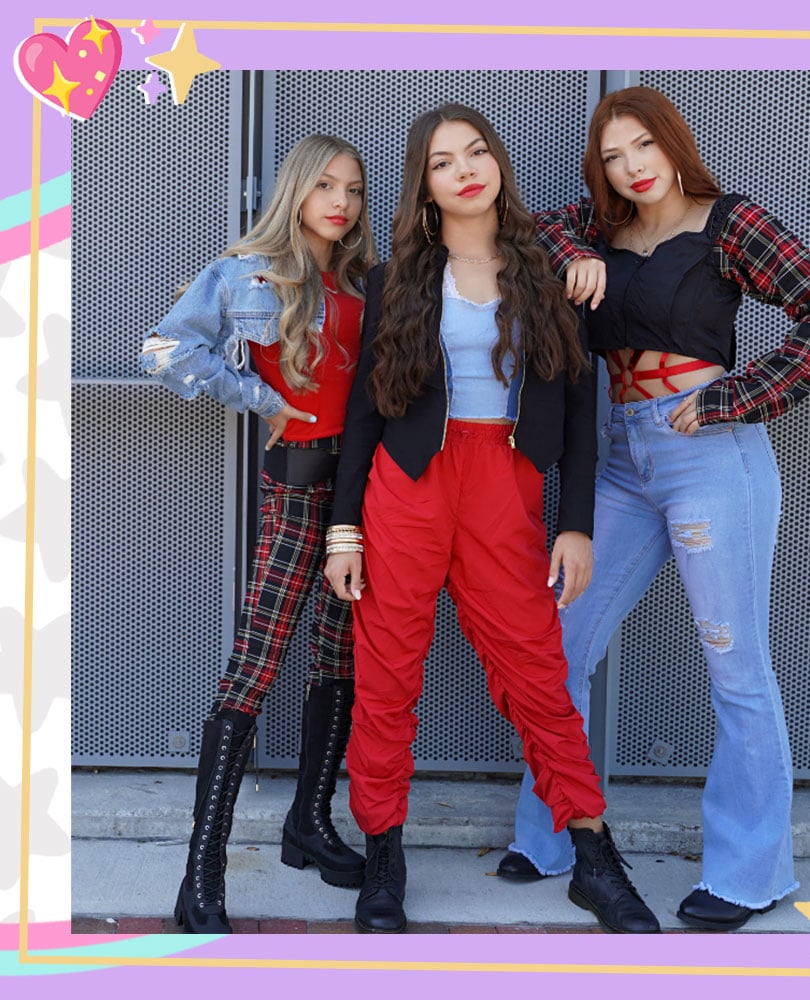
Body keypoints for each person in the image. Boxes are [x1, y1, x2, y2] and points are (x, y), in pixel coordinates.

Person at [498, 86, 810, 931]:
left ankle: (751, 873)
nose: (630, 168)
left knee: (735, 666)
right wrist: (568, 258)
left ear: (671, 143)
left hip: (710, 457)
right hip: (621, 460)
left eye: (641, 148)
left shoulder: (730, 224)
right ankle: (556, 835)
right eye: (612, 156)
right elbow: (525, 234)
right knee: (557, 646)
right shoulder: (598, 229)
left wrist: (747, 395)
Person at [323, 103, 659, 935]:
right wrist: (344, 529)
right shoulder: (392, 277)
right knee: (388, 676)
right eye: (444, 161)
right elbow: (364, 411)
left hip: (504, 485)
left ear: (499, 163)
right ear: (425, 185)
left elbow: (585, 410)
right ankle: (383, 858)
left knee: (538, 672)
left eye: (478, 152)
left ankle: (592, 855)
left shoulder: (550, 270)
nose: (467, 169)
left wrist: (572, 522)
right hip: (407, 486)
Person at [140, 134, 377, 934]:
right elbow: (165, 347)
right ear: (295, 193)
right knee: (257, 661)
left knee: (339, 655)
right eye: (324, 187)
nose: (339, 202)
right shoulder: (248, 271)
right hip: (300, 482)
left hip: (369, 491)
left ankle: (307, 824)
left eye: (352, 188)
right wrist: (257, 396)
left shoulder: (366, 277)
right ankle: (201, 869)